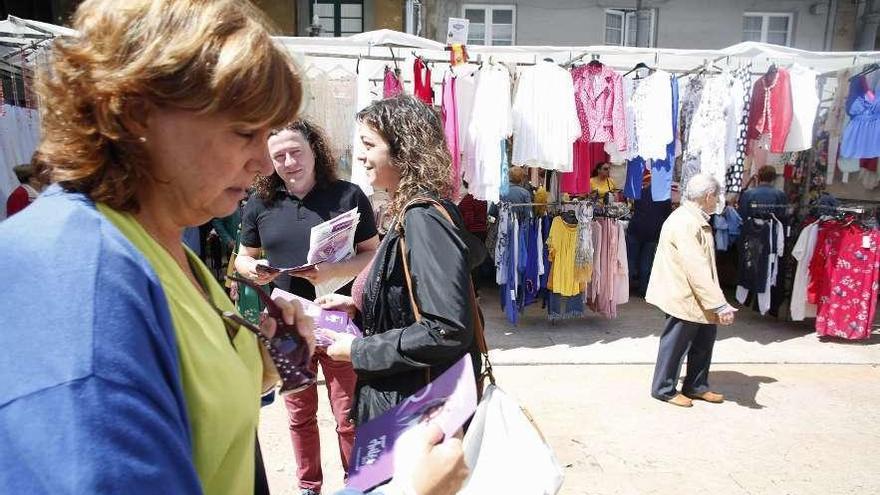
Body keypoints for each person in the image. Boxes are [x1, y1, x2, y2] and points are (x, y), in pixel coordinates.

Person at [0, 2, 467, 495]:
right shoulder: (78, 279)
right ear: (137, 114)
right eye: (245, 133)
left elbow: (194, 402)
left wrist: (266, 357)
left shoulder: (161, 241)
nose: (262, 165)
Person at [318, 95, 482, 425]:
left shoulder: (423, 218)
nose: (361, 155)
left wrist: (358, 350)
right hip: (407, 403)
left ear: (403, 149)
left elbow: (446, 328)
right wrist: (360, 306)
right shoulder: (411, 212)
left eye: (368, 144)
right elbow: (412, 300)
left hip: (415, 413)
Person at [235, 119, 379, 495]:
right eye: (278, 156)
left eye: (296, 152)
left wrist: (335, 269)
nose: (289, 162)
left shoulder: (348, 196)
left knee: (348, 414)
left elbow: (373, 252)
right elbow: (242, 258)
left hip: (337, 318)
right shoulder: (260, 203)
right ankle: (308, 487)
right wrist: (254, 269)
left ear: (315, 150)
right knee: (299, 414)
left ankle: (356, 483)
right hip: (284, 322)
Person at [646, 173, 737, 408]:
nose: (717, 200)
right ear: (708, 196)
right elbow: (695, 267)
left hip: (695, 295)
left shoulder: (693, 218)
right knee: (676, 343)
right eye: (716, 195)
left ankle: (696, 385)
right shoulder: (686, 222)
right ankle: (664, 389)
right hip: (684, 295)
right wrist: (718, 303)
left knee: (704, 340)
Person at [625, 173, 672, 296]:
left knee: (631, 259)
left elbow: (635, 208)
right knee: (646, 262)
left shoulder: (640, 192)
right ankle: (643, 289)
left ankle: (626, 288)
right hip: (653, 231)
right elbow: (667, 215)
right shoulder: (664, 197)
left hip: (636, 228)